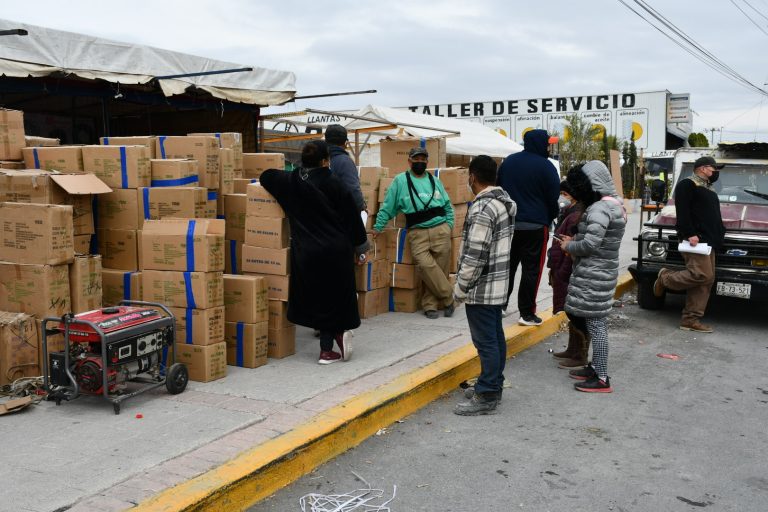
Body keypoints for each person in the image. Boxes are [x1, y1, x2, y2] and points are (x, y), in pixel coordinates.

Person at [260, 140, 369, 364]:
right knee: (336, 296)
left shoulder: (289, 181)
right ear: (324, 161)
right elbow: (352, 218)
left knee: (319, 296)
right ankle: (333, 340)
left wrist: (291, 172)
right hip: (335, 250)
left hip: (306, 251)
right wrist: (361, 249)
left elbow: (266, 175)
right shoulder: (335, 183)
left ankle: (327, 348)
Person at [452, 155, 516, 416]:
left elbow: (475, 254)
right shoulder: (503, 203)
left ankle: (487, 393)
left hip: (482, 286)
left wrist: (460, 288)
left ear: (472, 177)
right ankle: (493, 383)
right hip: (498, 284)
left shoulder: (482, 208)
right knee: (495, 338)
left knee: (486, 341)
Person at [557, 161, 626, 393]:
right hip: (600, 272)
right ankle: (595, 367)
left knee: (596, 325)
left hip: (594, 274)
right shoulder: (613, 205)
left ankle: (602, 377)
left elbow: (591, 243)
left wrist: (569, 244)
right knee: (594, 323)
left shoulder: (600, 209)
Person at [373, 147, 455, 319]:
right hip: (418, 233)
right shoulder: (400, 181)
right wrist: (378, 226)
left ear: (427, 162)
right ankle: (449, 297)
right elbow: (388, 206)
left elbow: (448, 205)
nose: (420, 162)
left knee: (440, 269)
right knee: (427, 268)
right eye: (416, 159)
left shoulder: (434, 180)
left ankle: (430, 305)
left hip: (441, 230)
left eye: (423, 160)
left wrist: (449, 225)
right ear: (409, 161)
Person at [653, 156, 725, 333]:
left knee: (706, 280)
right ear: (702, 168)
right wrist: (689, 233)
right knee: (701, 275)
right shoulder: (688, 184)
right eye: (713, 168)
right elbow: (683, 211)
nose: (715, 172)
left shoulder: (709, 188)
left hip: (709, 240)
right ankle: (665, 278)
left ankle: (690, 319)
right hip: (695, 239)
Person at [496, 129, 560, 326]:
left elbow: (499, 190)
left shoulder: (508, 162)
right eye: (548, 143)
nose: (549, 147)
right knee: (531, 270)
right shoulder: (547, 167)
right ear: (540, 144)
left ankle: (499, 306)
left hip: (509, 226)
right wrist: (550, 218)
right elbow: (553, 198)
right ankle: (527, 313)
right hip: (535, 226)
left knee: (507, 267)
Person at [547, 179, 588, 368]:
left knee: (574, 311)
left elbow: (568, 247)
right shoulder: (568, 213)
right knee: (570, 309)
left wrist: (560, 272)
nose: (561, 197)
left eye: (563, 193)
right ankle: (573, 349)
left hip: (566, 269)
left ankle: (579, 354)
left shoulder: (575, 215)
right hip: (561, 267)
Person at [324, 124, 366, 212]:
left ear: (326, 140)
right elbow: (353, 192)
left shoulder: (317, 159)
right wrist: (361, 207)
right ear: (345, 142)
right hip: (339, 218)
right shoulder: (344, 161)